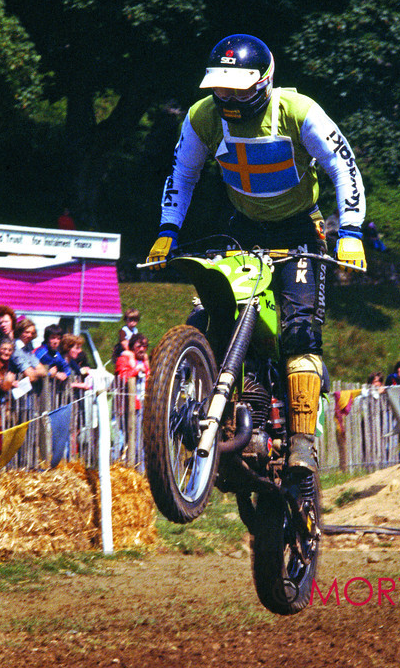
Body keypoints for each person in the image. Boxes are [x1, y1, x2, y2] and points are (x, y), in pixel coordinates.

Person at [146, 34, 366, 475]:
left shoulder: (298, 111)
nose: (226, 97)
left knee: (300, 331)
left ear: (263, 82)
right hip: (243, 228)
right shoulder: (202, 117)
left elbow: (344, 166)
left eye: (237, 88)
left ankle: (303, 441)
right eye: (220, 88)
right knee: (211, 309)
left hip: (301, 230)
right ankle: (214, 402)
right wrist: (168, 230)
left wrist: (352, 232)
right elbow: (182, 173)